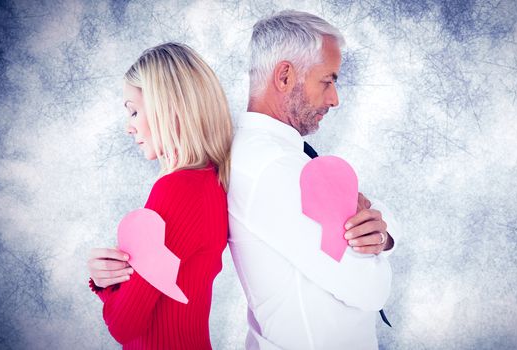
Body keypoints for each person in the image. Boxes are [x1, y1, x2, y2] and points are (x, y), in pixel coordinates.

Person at [227, 10, 397, 350]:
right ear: (285, 76)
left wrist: (384, 236)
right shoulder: (273, 167)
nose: (335, 99)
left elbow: (374, 217)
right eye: (327, 80)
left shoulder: (281, 155)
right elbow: (370, 289)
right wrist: (378, 245)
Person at [87, 42, 232, 349]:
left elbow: (124, 326)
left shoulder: (175, 191)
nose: (129, 127)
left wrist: (106, 287)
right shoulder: (211, 180)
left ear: (169, 107)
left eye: (134, 111)